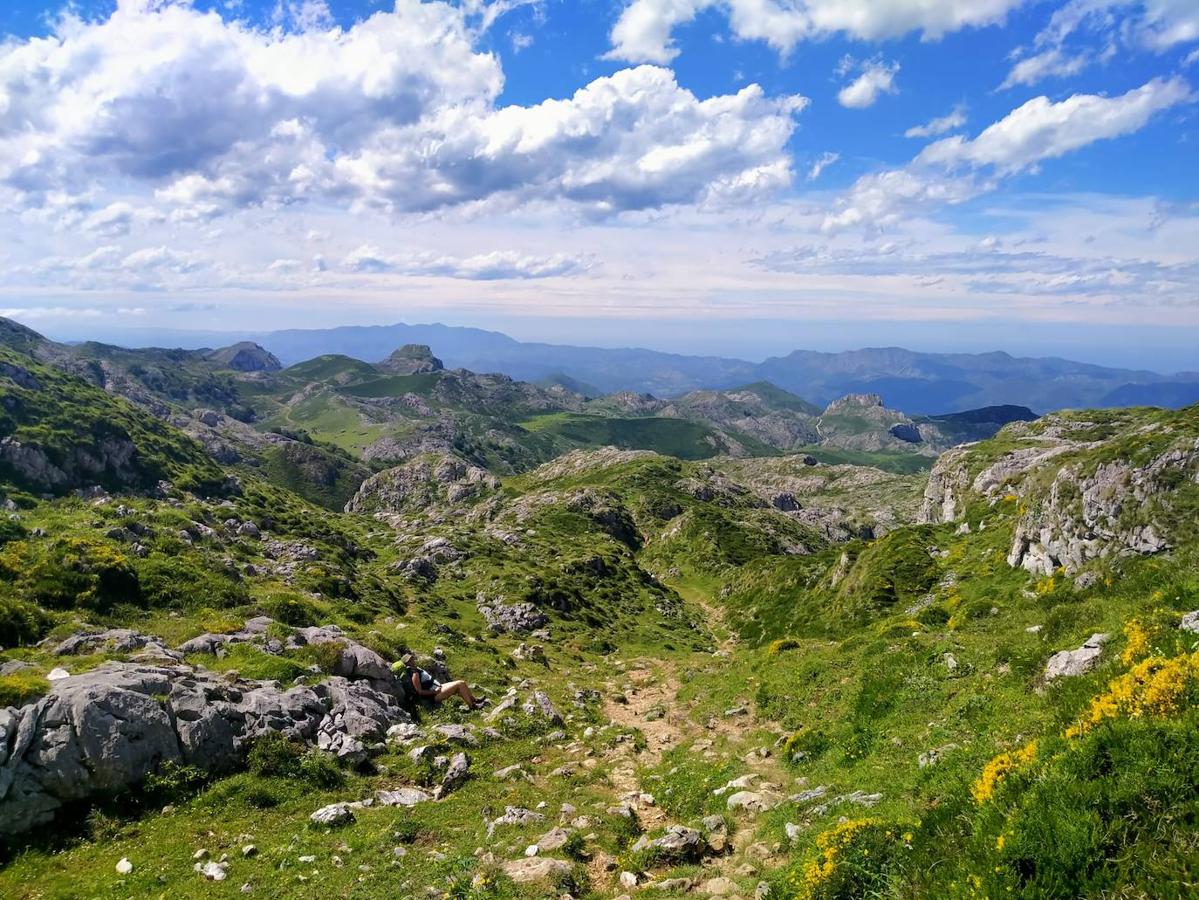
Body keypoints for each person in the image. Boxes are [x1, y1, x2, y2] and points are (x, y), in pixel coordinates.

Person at [393, 653, 485, 709]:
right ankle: (473, 706)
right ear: (408, 662)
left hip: (438, 689)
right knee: (459, 684)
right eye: (411, 659)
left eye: (412, 658)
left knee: (462, 683)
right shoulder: (414, 674)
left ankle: (474, 700)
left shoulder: (416, 669)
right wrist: (434, 691)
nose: (413, 659)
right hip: (434, 695)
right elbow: (419, 691)